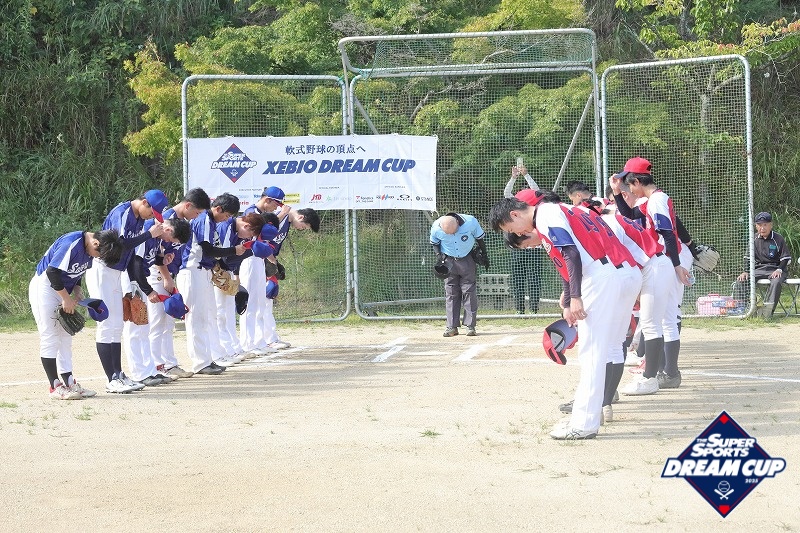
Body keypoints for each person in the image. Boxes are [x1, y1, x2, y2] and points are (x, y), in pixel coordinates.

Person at [490, 192, 641, 440]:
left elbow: (570, 253)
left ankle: (584, 423)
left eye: (510, 228)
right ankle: (600, 408)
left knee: (592, 352)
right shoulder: (566, 209)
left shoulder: (545, 214)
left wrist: (576, 297)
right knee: (613, 346)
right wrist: (570, 295)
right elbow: (569, 254)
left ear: (515, 214)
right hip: (625, 272)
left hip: (602, 276)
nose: (517, 233)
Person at [611, 158, 691, 395]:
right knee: (666, 319)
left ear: (637, 181)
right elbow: (629, 214)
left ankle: (655, 376)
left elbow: (668, 234)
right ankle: (669, 373)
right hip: (665, 260)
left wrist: (677, 265)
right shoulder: (653, 199)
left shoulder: (656, 201)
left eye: (629, 184)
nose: (629, 189)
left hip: (665, 259)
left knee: (659, 321)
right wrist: (616, 193)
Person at [85, 190, 168, 394]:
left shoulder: (139, 219)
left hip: (116, 272)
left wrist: (133, 284)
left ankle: (118, 375)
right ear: (144, 202)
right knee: (107, 324)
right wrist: (148, 235)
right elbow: (119, 244)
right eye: (152, 212)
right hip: (102, 269)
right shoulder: (123, 212)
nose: (152, 217)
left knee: (116, 325)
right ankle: (111, 379)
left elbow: (130, 254)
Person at [29, 230, 124, 399]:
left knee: (66, 336)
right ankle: (55, 387)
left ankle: (69, 383)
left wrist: (77, 291)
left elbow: (77, 273)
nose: (97, 257)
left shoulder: (90, 248)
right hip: (44, 288)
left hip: (62, 290)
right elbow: (52, 272)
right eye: (98, 254)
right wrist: (66, 298)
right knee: (50, 336)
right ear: (96, 243)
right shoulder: (71, 243)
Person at [176, 193, 247, 375]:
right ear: (218, 208)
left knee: (208, 316)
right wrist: (234, 250)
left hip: (203, 272)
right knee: (196, 318)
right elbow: (207, 250)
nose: (227, 219)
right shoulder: (205, 219)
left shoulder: (211, 222)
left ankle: (208, 358)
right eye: (227, 215)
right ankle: (200, 362)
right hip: (192, 271)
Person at [149, 187, 211, 379]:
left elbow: (168, 253)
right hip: (157, 274)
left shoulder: (182, 221)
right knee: (158, 321)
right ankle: (156, 365)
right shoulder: (167, 219)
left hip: (167, 273)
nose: (197, 216)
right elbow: (156, 254)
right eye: (197, 212)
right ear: (188, 205)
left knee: (167, 322)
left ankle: (169, 363)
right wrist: (167, 277)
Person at [123, 217, 191, 386]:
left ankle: (149, 370)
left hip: (140, 279)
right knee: (136, 327)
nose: (169, 242)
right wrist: (149, 290)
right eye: (171, 239)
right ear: (168, 230)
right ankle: (140, 373)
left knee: (144, 327)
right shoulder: (150, 231)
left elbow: (154, 257)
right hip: (131, 278)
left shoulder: (158, 236)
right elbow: (136, 264)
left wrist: (162, 259)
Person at [260, 206, 321, 349]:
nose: (301, 229)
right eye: (304, 227)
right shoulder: (281, 216)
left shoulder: (287, 221)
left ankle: (270, 338)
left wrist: (274, 261)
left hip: (267, 258)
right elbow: (262, 236)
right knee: (262, 300)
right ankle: (265, 340)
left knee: (268, 297)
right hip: (259, 258)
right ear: (301, 217)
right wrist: (271, 261)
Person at [239, 186, 290, 355]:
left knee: (259, 303)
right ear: (267, 200)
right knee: (250, 303)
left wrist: (273, 262)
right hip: (248, 259)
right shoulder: (251, 211)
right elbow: (258, 232)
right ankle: (248, 343)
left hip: (258, 260)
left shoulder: (262, 213)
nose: (276, 208)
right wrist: (281, 215)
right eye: (275, 204)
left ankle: (259, 341)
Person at [213, 212, 265, 365]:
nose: (248, 238)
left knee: (227, 311)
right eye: (250, 234)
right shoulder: (226, 226)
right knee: (219, 312)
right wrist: (247, 252)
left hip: (225, 270)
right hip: (216, 270)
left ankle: (232, 347)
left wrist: (235, 277)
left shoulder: (235, 230)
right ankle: (224, 349)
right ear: (246, 226)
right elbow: (221, 255)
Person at [430, 213, 488, 337]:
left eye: (454, 232)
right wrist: (439, 256)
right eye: (448, 234)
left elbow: (480, 239)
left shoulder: (471, 222)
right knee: (451, 292)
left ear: (457, 223)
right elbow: (434, 243)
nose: (452, 235)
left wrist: (484, 253)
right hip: (448, 261)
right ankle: (451, 327)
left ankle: (470, 326)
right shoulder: (436, 227)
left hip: (467, 258)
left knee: (469, 291)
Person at [733, 211, 791, 319]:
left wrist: (779, 270)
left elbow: (785, 258)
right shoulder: (754, 239)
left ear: (771, 225)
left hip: (776, 269)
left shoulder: (778, 238)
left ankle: (767, 312)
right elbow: (748, 257)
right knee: (741, 280)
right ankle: (741, 309)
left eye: (765, 225)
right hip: (759, 269)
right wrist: (746, 271)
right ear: (756, 226)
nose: (762, 228)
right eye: (759, 225)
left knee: (776, 282)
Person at [505, 164, 541, 314]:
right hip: (518, 246)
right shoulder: (514, 205)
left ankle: (534, 308)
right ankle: (519, 309)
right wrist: (513, 177)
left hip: (534, 247)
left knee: (534, 278)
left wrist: (526, 175)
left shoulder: (534, 205)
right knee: (518, 278)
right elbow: (507, 192)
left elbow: (536, 190)